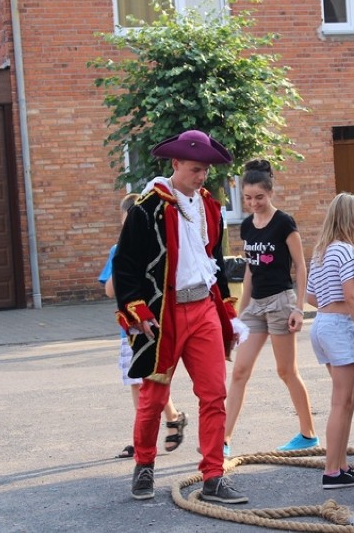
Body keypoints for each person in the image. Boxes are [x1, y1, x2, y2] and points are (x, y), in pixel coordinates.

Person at [112, 129, 247, 504]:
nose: (201, 176)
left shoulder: (210, 207)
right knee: (154, 397)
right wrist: (136, 309)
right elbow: (125, 265)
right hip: (165, 314)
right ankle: (143, 466)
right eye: (194, 169)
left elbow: (215, 264)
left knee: (214, 395)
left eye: (204, 170)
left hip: (203, 307)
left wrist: (226, 313)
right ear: (175, 164)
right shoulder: (148, 207)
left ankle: (213, 477)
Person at [224, 159, 317, 454]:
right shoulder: (248, 225)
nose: (253, 203)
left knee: (286, 371)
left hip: (281, 302)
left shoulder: (284, 223)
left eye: (259, 197)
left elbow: (301, 267)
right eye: (247, 198)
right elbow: (251, 269)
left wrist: (299, 308)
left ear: (271, 192)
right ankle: (223, 439)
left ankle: (308, 434)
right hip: (256, 306)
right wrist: (241, 313)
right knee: (239, 371)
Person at [99, 193, 187, 460]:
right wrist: (119, 259)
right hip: (130, 330)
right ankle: (166, 422)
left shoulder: (156, 246)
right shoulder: (117, 250)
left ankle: (154, 432)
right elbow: (109, 291)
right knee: (138, 384)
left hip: (155, 323)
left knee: (150, 380)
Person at [306, 193, 354, 489]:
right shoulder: (346, 251)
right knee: (340, 400)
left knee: (349, 397)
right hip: (338, 326)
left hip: (321, 325)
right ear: (353, 221)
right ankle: (332, 470)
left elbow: (310, 295)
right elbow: (351, 296)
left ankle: (341, 464)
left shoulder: (322, 250)